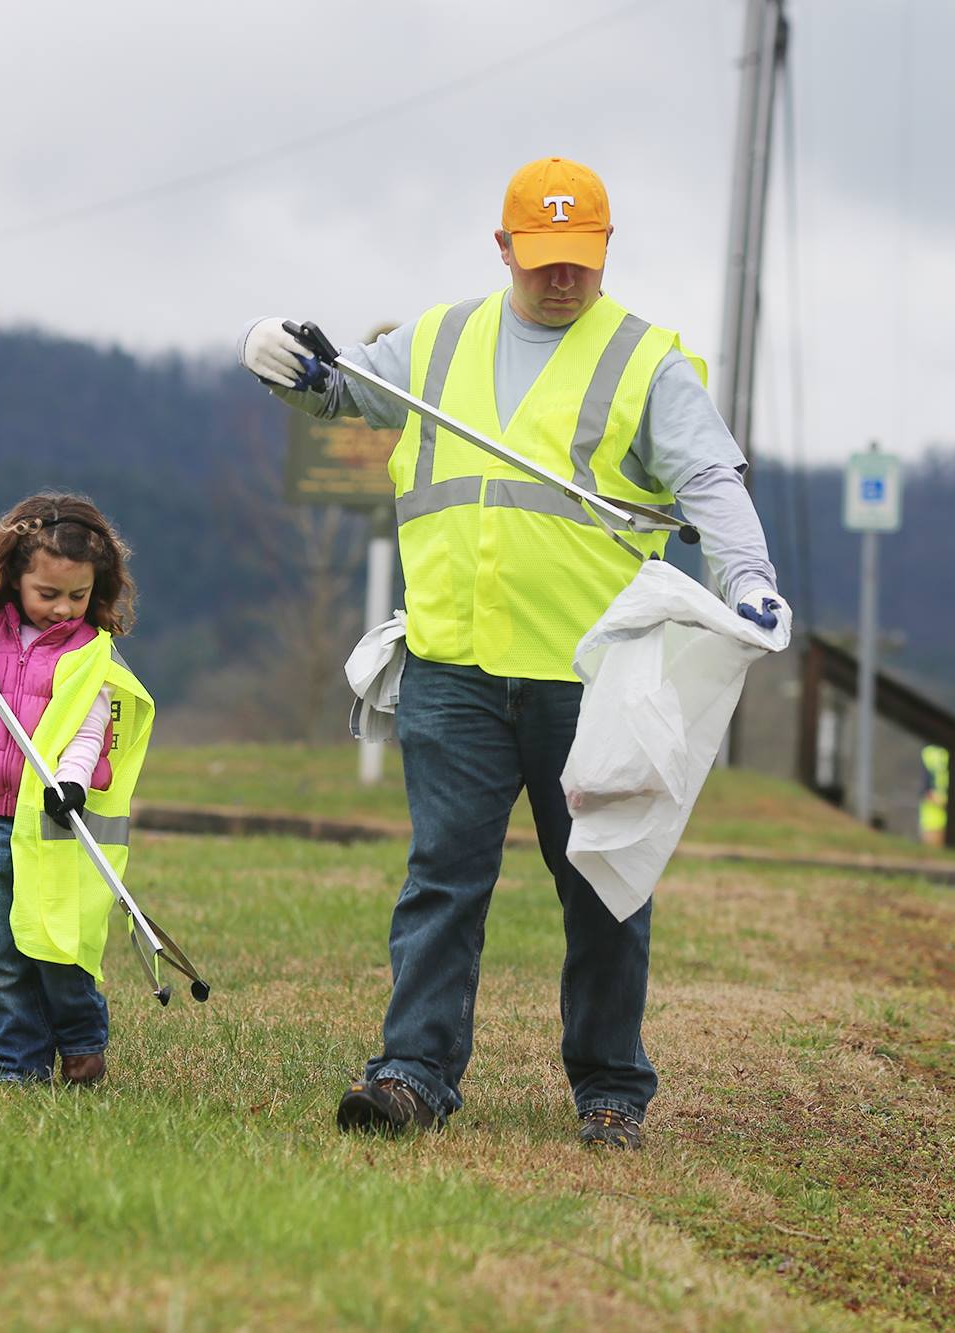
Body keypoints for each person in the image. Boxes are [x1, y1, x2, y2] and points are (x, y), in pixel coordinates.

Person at [240, 157, 788, 1150]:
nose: (560, 278)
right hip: (454, 663)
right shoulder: (438, 341)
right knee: (444, 876)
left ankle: (610, 1089)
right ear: (504, 248)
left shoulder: (644, 360)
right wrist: (292, 369)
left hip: (593, 676)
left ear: (605, 251)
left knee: (602, 882)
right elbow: (344, 395)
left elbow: (708, 476)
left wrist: (743, 572)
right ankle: (409, 1073)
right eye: (540, 259)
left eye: (578, 260)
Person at [0, 494, 154, 1086]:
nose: (64, 608)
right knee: (4, 957)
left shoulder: (88, 651)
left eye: (79, 596)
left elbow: (90, 729)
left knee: (53, 948)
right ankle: (19, 1065)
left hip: (51, 826)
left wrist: (69, 783)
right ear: (14, 577)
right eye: (49, 594)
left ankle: (82, 1036)